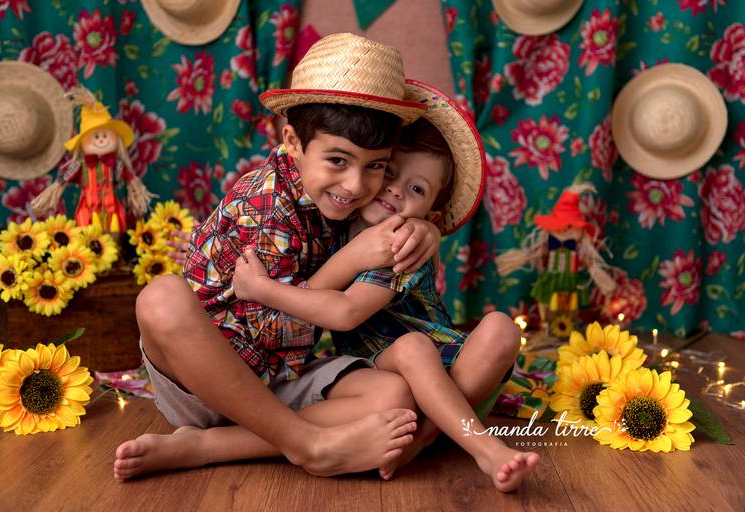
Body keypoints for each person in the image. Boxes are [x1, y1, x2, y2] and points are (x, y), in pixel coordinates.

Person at [113, 34, 442, 480]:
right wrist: (350, 260)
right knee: (161, 297)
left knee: (394, 398)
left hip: (278, 378)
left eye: (375, 165)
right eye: (338, 161)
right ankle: (308, 443)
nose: (356, 185)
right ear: (292, 141)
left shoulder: (344, 203)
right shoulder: (266, 206)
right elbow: (271, 330)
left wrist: (427, 228)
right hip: (211, 377)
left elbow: (398, 207)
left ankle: (209, 446)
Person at [231, 81, 540, 492]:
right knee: (409, 355)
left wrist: (261, 289)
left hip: (454, 373)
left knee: (495, 328)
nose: (394, 189)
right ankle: (430, 434)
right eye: (389, 172)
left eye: (416, 189)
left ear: (432, 208)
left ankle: (464, 444)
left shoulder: (399, 241)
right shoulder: (333, 220)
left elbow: (345, 312)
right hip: (371, 373)